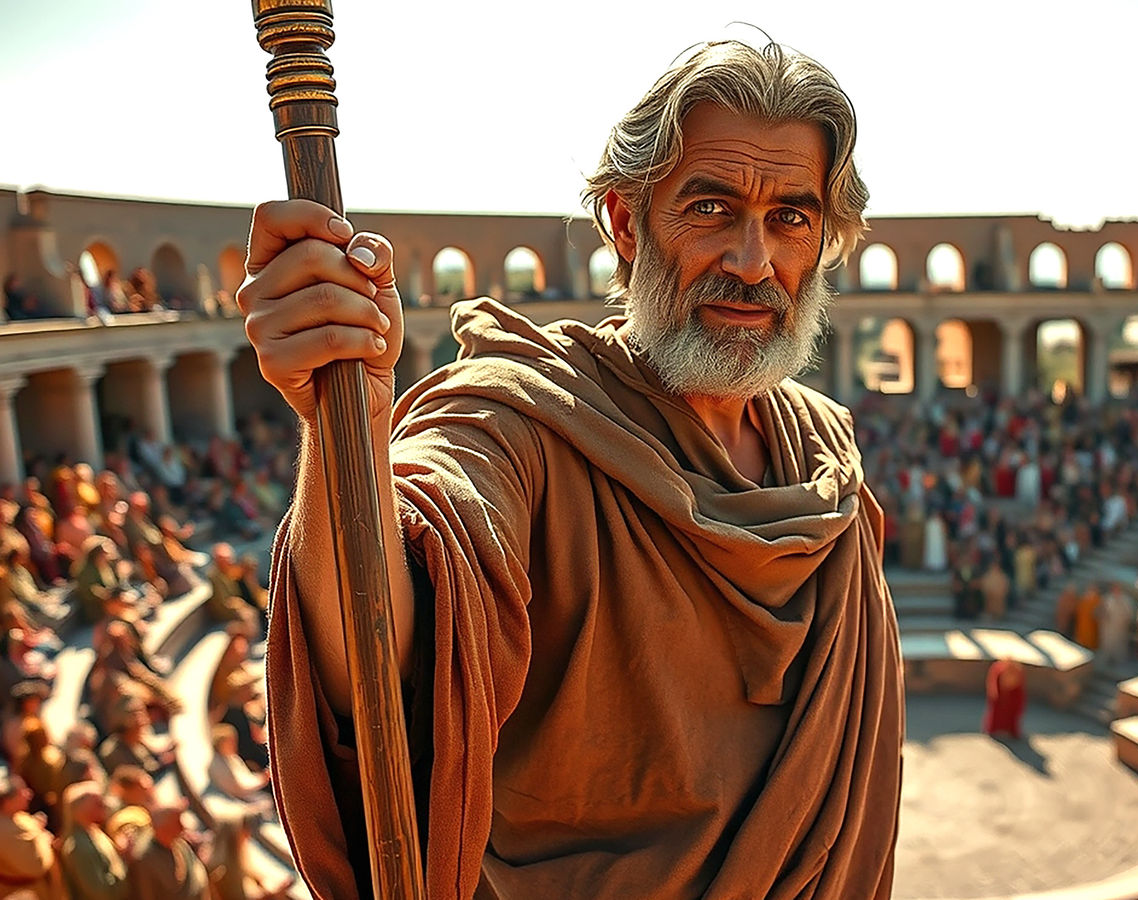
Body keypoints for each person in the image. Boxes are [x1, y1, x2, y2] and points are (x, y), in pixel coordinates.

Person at [243, 39, 902, 899]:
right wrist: (353, 427)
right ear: (625, 223)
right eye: (710, 206)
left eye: (791, 216)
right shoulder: (516, 419)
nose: (753, 261)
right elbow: (386, 638)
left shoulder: (828, 461)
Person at [982, 657, 1025, 739]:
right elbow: (994, 682)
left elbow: (1018, 683)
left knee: (1012, 714)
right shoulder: (998, 668)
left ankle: (1012, 731)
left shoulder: (1017, 669)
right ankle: (994, 729)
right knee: (997, 713)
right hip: (1001, 694)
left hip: (1013, 695)